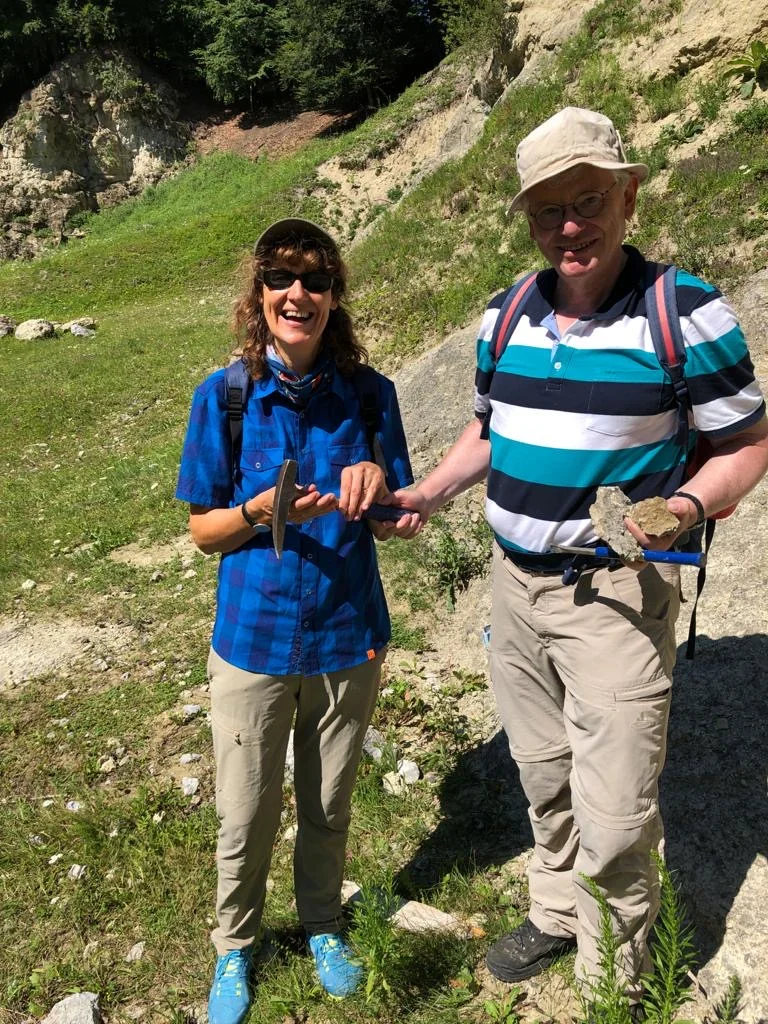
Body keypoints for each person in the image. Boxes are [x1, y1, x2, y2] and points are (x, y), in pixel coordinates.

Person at [387, 107, 768, 1004]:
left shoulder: (689, 312)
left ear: (628, 197)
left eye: (588, 199)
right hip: (512, 585)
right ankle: (557, 908)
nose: (570, 225)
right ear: (528, 220)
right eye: (548, 209)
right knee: (542, 766)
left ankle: (614, 976)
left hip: (615, 593)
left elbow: (748, 444)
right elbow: (491, 428)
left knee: (617, 801)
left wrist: (684, 505)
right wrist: (430, 492)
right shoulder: (505, 314)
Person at [176, 217, 420, 1024]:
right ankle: (235, 947)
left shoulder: (371, 395)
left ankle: (321, 924)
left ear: (335, 297)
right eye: (281, 276)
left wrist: (377, 488)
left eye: (316, 279)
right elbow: (204, 531)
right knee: (245, 809)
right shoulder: (225, 397)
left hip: (349, 632)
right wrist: (254, 508)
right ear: (258, 295)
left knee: (328, 801)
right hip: (253, 638)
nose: (298, 293)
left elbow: (396, 514)